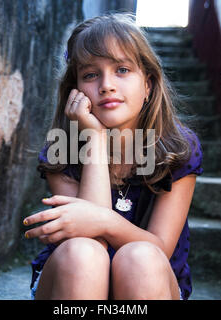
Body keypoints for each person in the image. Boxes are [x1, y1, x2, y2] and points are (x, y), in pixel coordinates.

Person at [24, 13, 203, 300]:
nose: (106, 85)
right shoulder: (63, 150)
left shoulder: (178, 149)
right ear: (76, 91)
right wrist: (94, 138)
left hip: (149, 281)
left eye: (121, 69)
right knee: (83, 254)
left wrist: (106, 221)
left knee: (141, 257)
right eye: (91, 75)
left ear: (148, 84)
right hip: (74, 280)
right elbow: (87, 237)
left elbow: (161, 247)